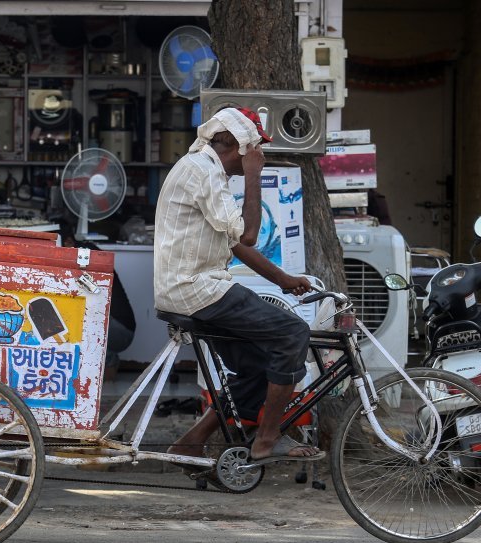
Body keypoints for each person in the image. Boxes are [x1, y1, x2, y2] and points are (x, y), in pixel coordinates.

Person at [153, 107, 323, 471]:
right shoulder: (203, 171)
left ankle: (191, 442)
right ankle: (267, 439)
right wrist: (253, 176)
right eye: (253, 150)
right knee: (294, 332)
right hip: (197, 289)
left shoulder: (203, 169)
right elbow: (247, 234)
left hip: (194, 287)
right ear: (233, 145)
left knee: (258, 367)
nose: (257, 156)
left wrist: (282, 279)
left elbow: (234, 244)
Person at [59, 223, 136, 380]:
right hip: (119, 327)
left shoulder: (88, 259)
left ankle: (109, 360)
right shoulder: (86, 252)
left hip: (121, 331)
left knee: (70, 321)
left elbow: (88, 294)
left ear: (67, 242)